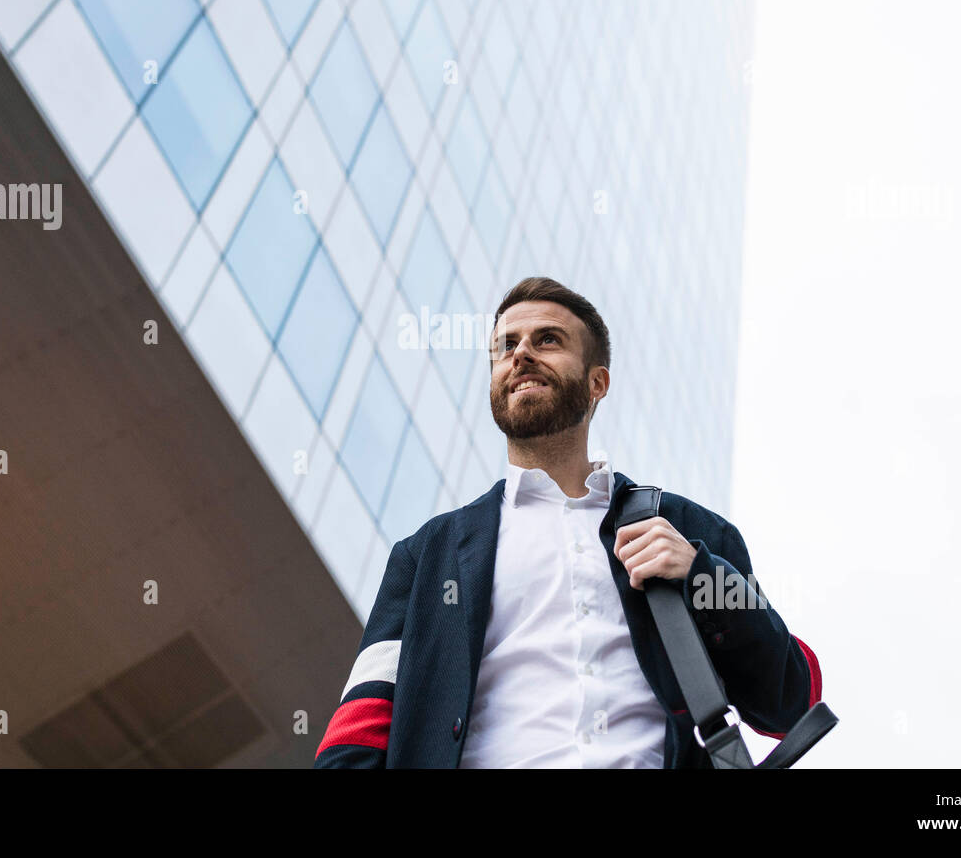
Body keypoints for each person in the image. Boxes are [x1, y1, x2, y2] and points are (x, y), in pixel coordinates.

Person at [314, 276, 822, 768]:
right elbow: (360, 725)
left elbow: (793, 700)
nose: (521, 354)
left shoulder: (693, 530)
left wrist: (700, 574)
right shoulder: (427, 555)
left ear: (597, 382)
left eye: (548, 340)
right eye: (506, 346)